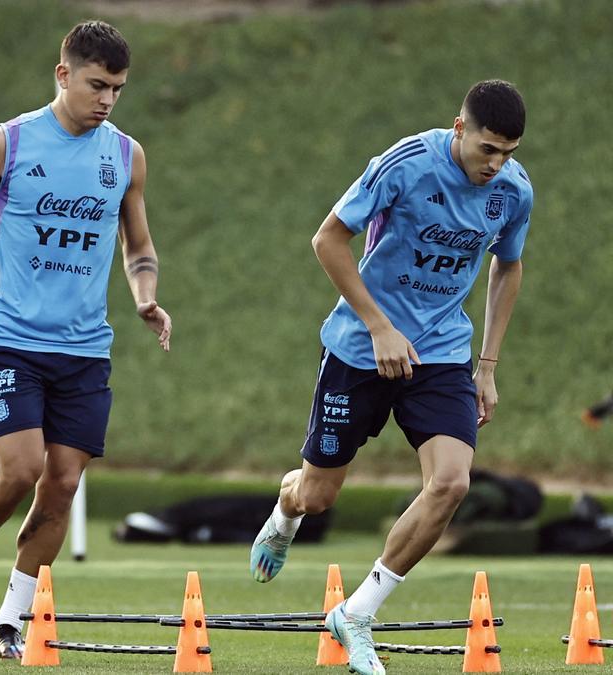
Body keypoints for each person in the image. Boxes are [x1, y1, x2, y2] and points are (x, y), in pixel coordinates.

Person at [248, 80, 532, 675]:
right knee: (319, 495)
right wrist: (379, 327)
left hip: (441, 354)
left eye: (508, 151)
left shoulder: (513, 191)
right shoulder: (405, 164)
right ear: (459, 128)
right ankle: (287, 505)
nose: (497, 163)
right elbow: (328, 240)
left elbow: (508, 267)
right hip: (360, 348)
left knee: (451, 483)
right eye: (487, 148)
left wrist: (487, 367)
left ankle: (356, 613)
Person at [0, 19, 171, 659]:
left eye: (118, 88)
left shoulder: (125, 156)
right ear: (63, 75)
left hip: (86, 349)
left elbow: (138, 246)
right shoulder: (8, 143)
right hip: (12, 338)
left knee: (61, 483)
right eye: (97, 85)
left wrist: (146, 297)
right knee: (21, 469)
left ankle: (12, 617)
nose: (108, 99)